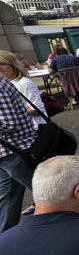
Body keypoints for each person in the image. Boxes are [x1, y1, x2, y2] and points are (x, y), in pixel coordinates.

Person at [0, 77, 36, 233]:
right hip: (7, 150)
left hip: (15, 148)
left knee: (44, 189)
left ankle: (75, 215)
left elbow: (8, 122)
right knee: (7, 198)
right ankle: (5, 237)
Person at [0, 51, 47, 129]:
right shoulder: (3, 84)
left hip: (34, 129)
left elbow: (37, 109)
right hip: (15, 132)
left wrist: (9, 114)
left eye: (3, 64)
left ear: (13, 65)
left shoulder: (24, 83)